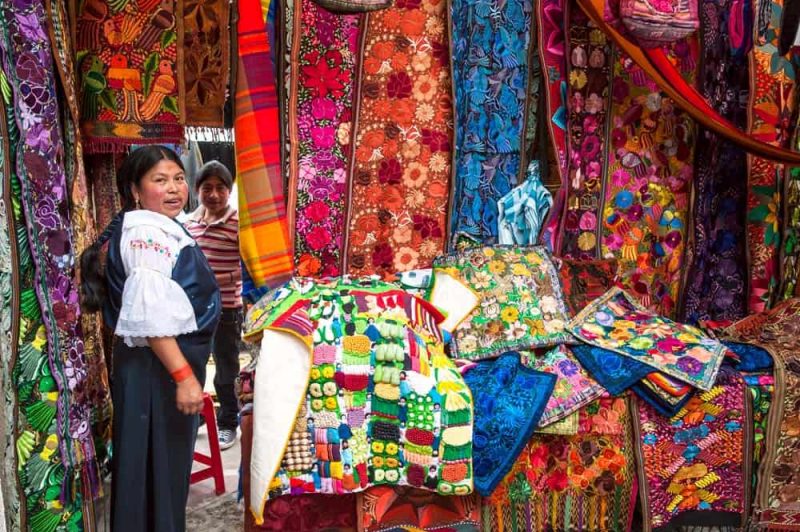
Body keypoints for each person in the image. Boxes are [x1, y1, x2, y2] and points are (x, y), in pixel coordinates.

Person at [80, 146, 221, 532]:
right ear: (135, 190)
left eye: (178, 178)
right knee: (155, 470)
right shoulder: (146, 232)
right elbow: (151, 316)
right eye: (160, 180)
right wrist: (185, 378)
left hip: (153, 370)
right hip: (155, 373)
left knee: (155, 470)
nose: (174, 188)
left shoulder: (156, 224)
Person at [184, 161, 242, 450]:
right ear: (197, 191)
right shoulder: (187, 223)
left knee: (226, 368)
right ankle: (196, 419)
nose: (215, 194)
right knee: (194, 365)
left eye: (221, 188)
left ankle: (229, 422)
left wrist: (216, 278)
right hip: (194, 309)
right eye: (208, 188)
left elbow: (248, 268)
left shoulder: (238, 224)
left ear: (229, 191)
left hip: (227, 308)